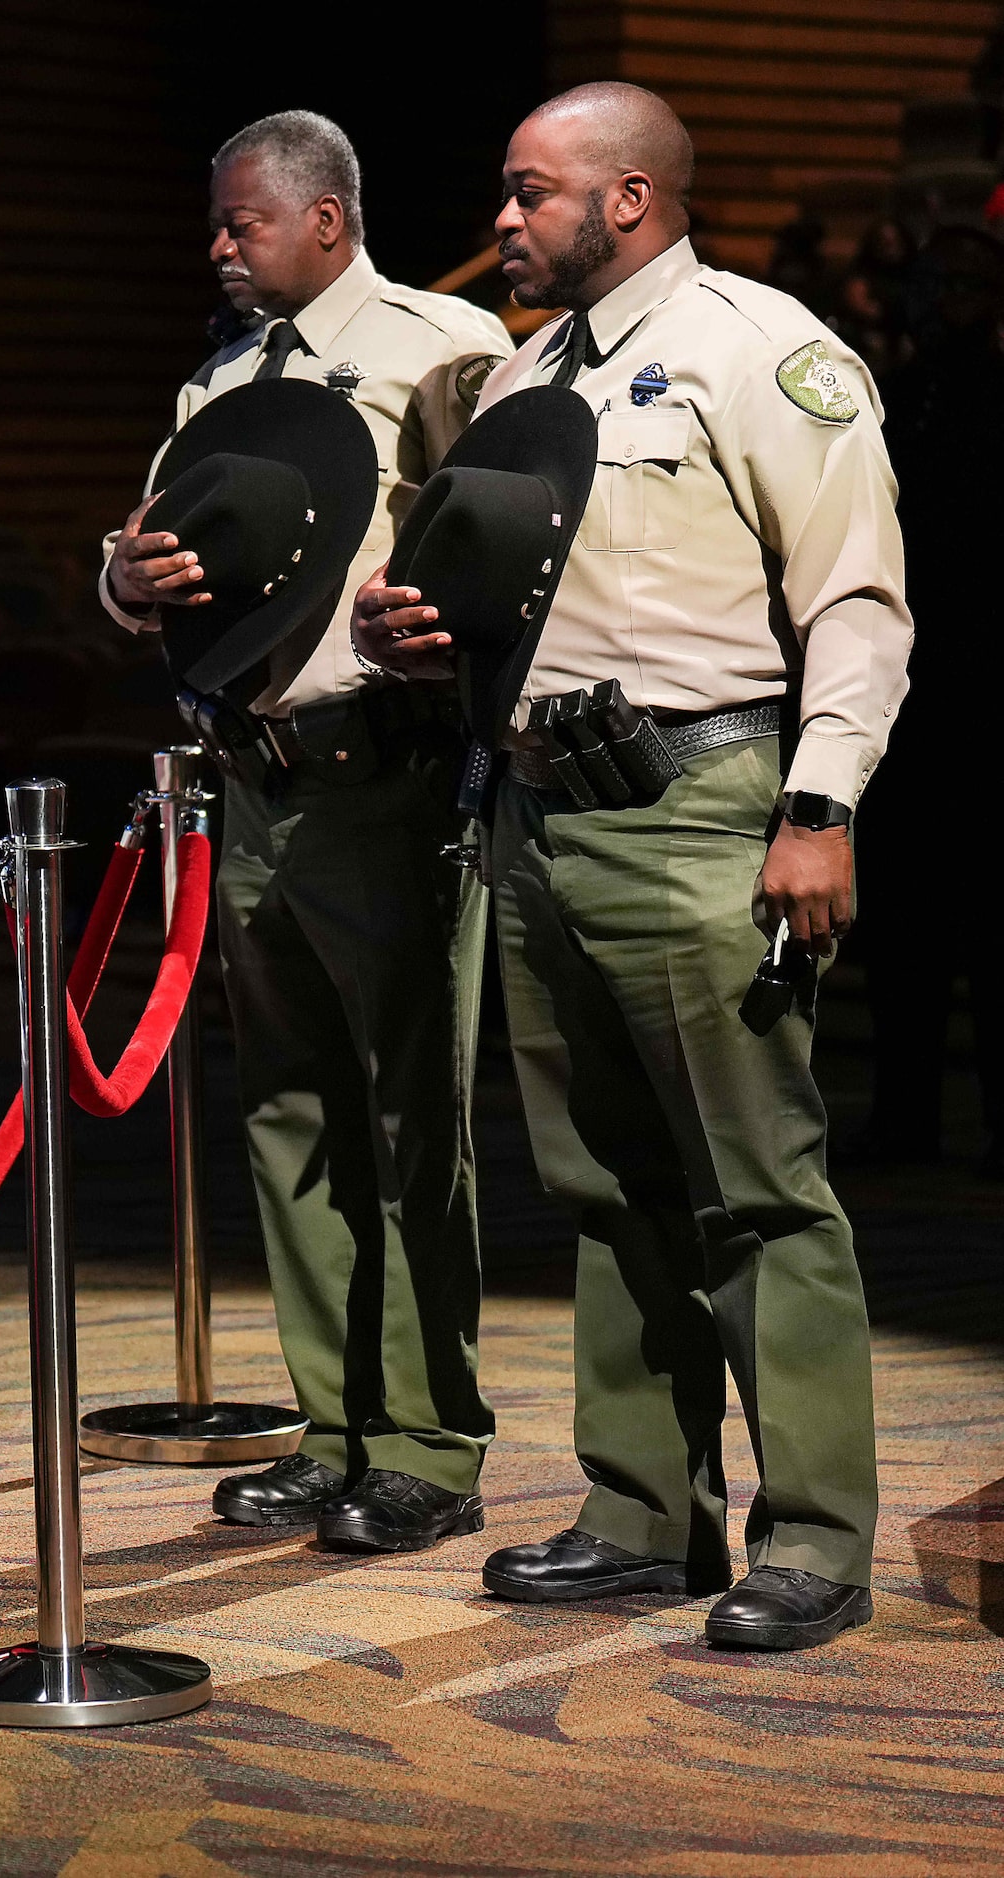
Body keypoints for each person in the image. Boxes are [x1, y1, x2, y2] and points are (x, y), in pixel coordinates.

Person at [358, 82, 911, 1650]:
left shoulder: (760, 351)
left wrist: (819, 806)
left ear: (624, 199)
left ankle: (810, 1536)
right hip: (539, 808)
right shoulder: (527, 373)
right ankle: (640, 1511)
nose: (503, 221)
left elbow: (856, 602)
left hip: (700, 800)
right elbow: (513, 602)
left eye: (529, 192)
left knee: (756, 1189)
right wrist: (418, 634)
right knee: (601, 1185)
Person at [99, 111, 513, 1552]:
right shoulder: (213, 374)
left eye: (239, 223)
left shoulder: (441, 343)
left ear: (322, 219)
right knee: (287, 1116)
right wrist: (124, 578)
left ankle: (423, 1443)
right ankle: (328, 1430)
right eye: (214, 226)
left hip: (381, 770)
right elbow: (147, 551)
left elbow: (512, 542)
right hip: (248, 772)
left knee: (408, 1118)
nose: (216, 248)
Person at [856, 225, 1004, 1173]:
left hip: (986, 706)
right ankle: (900, 1116)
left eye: (960, 284)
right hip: (904, 703)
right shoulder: (888, 403)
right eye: (928, 283)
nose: (938, 300)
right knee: (903, 934)